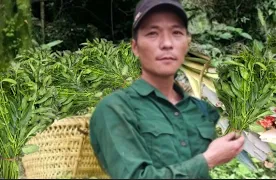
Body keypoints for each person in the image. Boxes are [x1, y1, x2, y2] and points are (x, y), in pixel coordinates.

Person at [89, 0, 245, 178]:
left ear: (187, 44)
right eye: (153, 33)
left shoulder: (197, 110)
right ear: (135, 47)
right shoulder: (115, 109)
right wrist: (208, 159)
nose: (166, 43)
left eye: (176, 33)